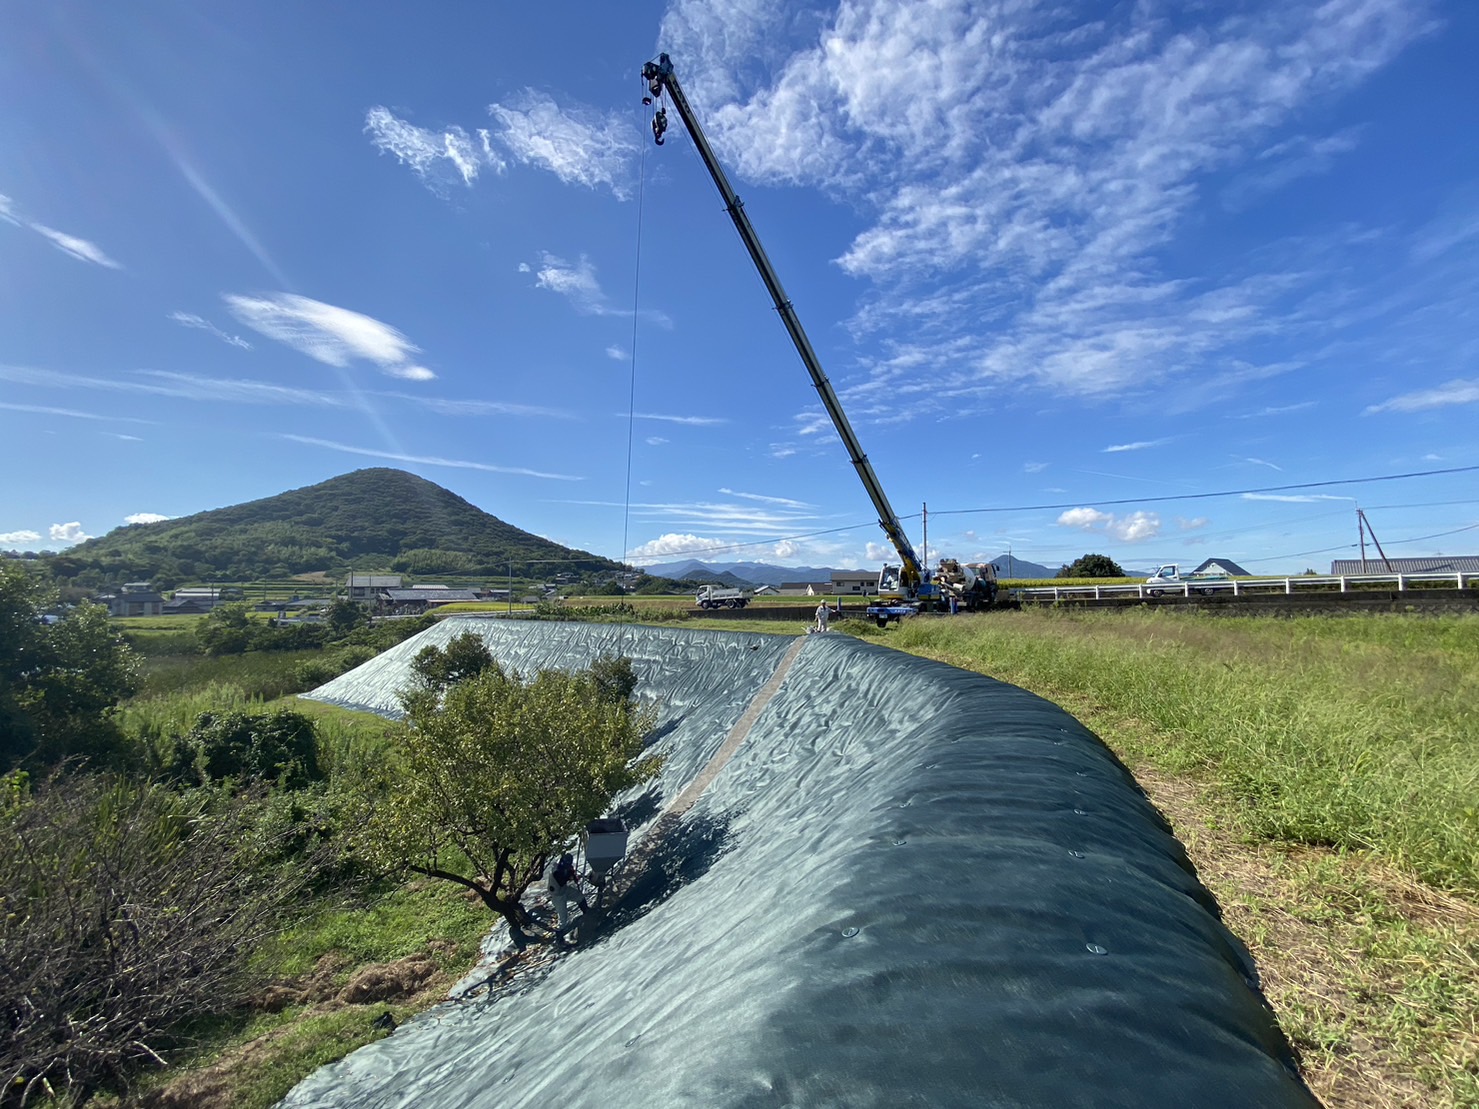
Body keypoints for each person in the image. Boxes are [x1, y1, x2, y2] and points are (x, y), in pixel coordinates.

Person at [547, 852, 588, 931]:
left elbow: (569, 873)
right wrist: (570, 877)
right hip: (557, 895)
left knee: (579, 896)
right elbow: (561, 880)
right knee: (563, 918)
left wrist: (573, 874)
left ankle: (586, 912)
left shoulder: (564, 867)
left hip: (564, 889)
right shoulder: (556, 870)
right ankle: (560, 937)